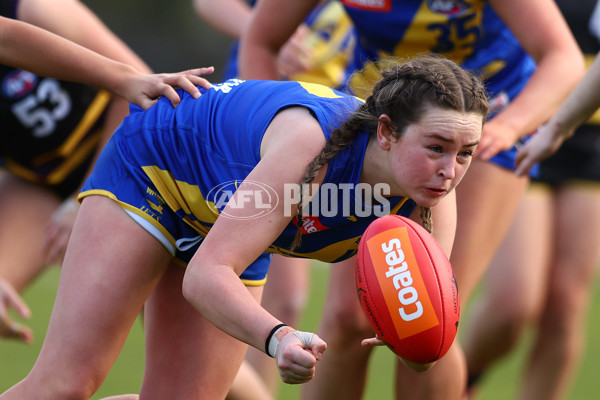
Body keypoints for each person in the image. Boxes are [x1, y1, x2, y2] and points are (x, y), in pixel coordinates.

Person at [0, 54, 489, 400]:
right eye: (436, 146)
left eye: (465, 153)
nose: (450, 169)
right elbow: (206, 275)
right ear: (385, 132)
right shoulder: (311, 147)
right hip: (156, 168)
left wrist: (413, 333)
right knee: (64, 386)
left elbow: (425, 351)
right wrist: (278, 338)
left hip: (232, 217)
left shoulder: (431, 203)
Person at [239, 1, 584, 399]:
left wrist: (507, 129)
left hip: (487, 127)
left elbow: (564, 57)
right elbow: (261, 40)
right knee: (349, 316)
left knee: (428, 318)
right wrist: (272, 136)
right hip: (381, 120)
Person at [0, 0, 213, 343]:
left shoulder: (30, 9)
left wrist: (80, 201)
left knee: (183, 347)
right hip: (39, 181)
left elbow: (137, 92)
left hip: (132, 158)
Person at [193, 1, 353, 398]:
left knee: (286, 299)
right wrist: (261, 29)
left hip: (336, 141)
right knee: (227, 297)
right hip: (248, 132)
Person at [463, 1, 600, 399]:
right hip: (521, 121)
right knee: (514, 302)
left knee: (566, 303)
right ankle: (462, 382)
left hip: (591, 138)